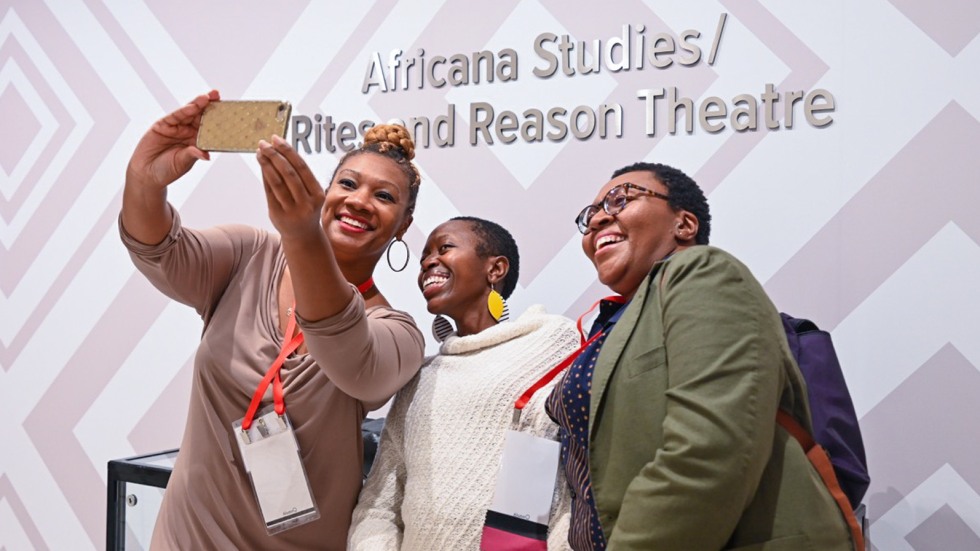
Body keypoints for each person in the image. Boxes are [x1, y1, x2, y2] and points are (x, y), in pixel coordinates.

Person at [119, 90, 425, 550]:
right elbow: (159, 250)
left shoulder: (397, 334)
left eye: (383, 196)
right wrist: (144, 178)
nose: (359, 201)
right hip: (189, 536)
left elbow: (346, 349)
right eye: (346, 184)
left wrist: (302, 235)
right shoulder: (249, 255)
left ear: (403, 224)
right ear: (326, 191)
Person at [547, 162, 856, 550]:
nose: (598, 220)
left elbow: (708, 450)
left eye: (620, 199)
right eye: (589, 216)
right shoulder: (609, 326)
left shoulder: (701, 271)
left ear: (684, 225)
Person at [348, 217, 579, 550]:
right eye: (424, 256)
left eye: (445, 248)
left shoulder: (554, 344)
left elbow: (578, 482)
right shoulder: (420, 377)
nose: (428, 261)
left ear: (496, 269)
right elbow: (380, 501)